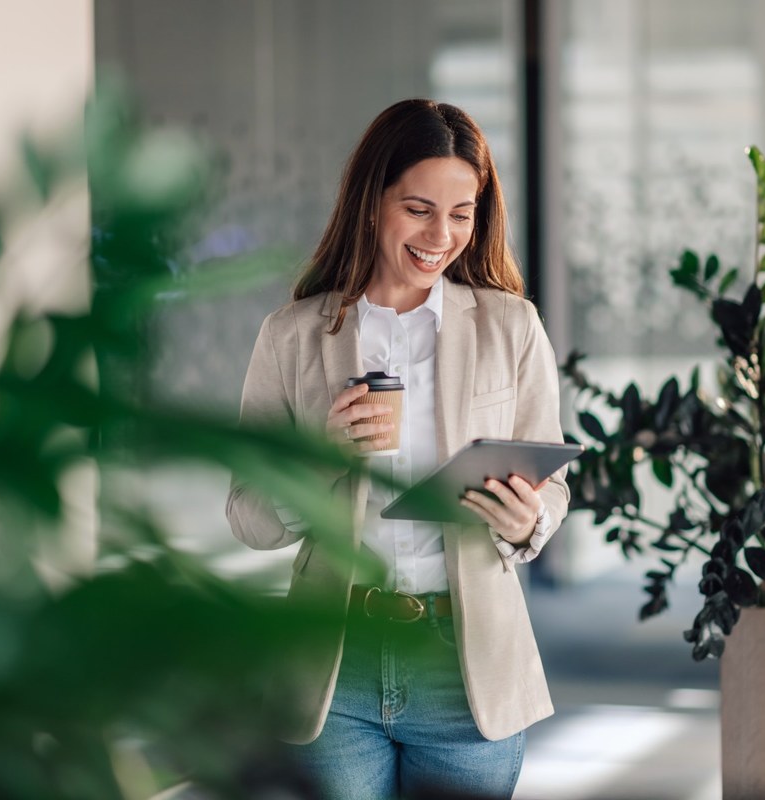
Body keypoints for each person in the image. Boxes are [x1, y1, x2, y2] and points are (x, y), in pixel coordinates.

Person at [226, 99, 569, 800]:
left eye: (461, 212)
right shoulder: (292, 337)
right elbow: (250, 520)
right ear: (372, 203)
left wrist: (529, 522)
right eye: (418, 208)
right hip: (334, 664)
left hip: (465, 668)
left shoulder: (512, 328)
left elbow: (550, 484)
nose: (440, 235)